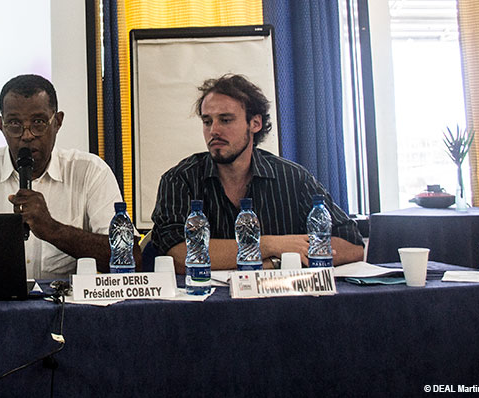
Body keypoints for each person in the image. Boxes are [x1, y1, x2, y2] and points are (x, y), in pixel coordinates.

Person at [151, 74, 364, 272]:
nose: (213, 130)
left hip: (279, 304)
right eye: (207, 121)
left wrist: (276, 262)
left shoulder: (293, 178)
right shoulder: (180, 179)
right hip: (205, 304)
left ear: (255, 123)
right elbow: (177, 255)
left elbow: (352, 244)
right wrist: (270, 245)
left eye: (225, 120)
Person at [0, 74, 137, 278]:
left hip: (63, 307)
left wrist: (53, 230)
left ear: (57, 122)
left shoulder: (90, 171)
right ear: (1, 125)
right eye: (14, 123)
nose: (27, 135)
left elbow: (131, 258)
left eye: (39, 122)